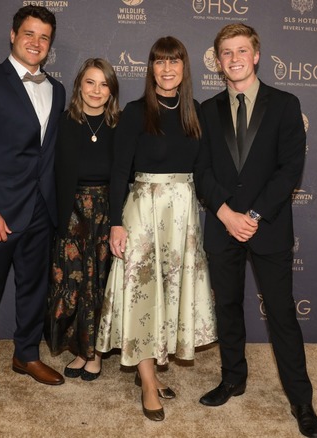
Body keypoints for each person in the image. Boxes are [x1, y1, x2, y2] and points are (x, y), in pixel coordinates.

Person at [194, 23, 317, 437]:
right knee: (227, 308)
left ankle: (301, 400)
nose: (234, 58)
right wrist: (227, 213)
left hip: (266, 227)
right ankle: (233, 378)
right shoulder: (205, 110)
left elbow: (290, 170)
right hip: (222, 225)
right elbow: (202, 170)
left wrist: (251, 215)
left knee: (282, 315)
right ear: (218, 61)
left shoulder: (285, 104)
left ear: (256, 55)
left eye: (241, 50)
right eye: (226, 52)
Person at [96, 36, 217, 422]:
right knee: (143, 295)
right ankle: (148, 382)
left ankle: (153, 364)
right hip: (143, 212)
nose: (167, 69)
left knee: (168, 293)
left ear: (184, 68)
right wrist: (116, 222)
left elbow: (204, 172)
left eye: (175, 62)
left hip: (182, 215)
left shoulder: (195, 112)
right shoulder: (135, 112)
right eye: (160, 62)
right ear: (151, 68)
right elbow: (119, 172)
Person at [0, 5, 66, 415]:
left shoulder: (55, 89)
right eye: (29, 34)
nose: (36, 42)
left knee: (33, 290)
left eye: (44, 37)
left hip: (40, 210)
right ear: (12, 35)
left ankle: (26, 353)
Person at [45, 58, 120, 381]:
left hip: (107, 213)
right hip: (70, 214)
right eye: (90, 82)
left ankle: (97, 354)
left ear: (111, 91)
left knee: (101, 285)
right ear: (79, 85)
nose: (96, 90)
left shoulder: (121, 125)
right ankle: (79, 349)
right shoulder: (62, 123)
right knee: (72, 284)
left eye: (104, 84)